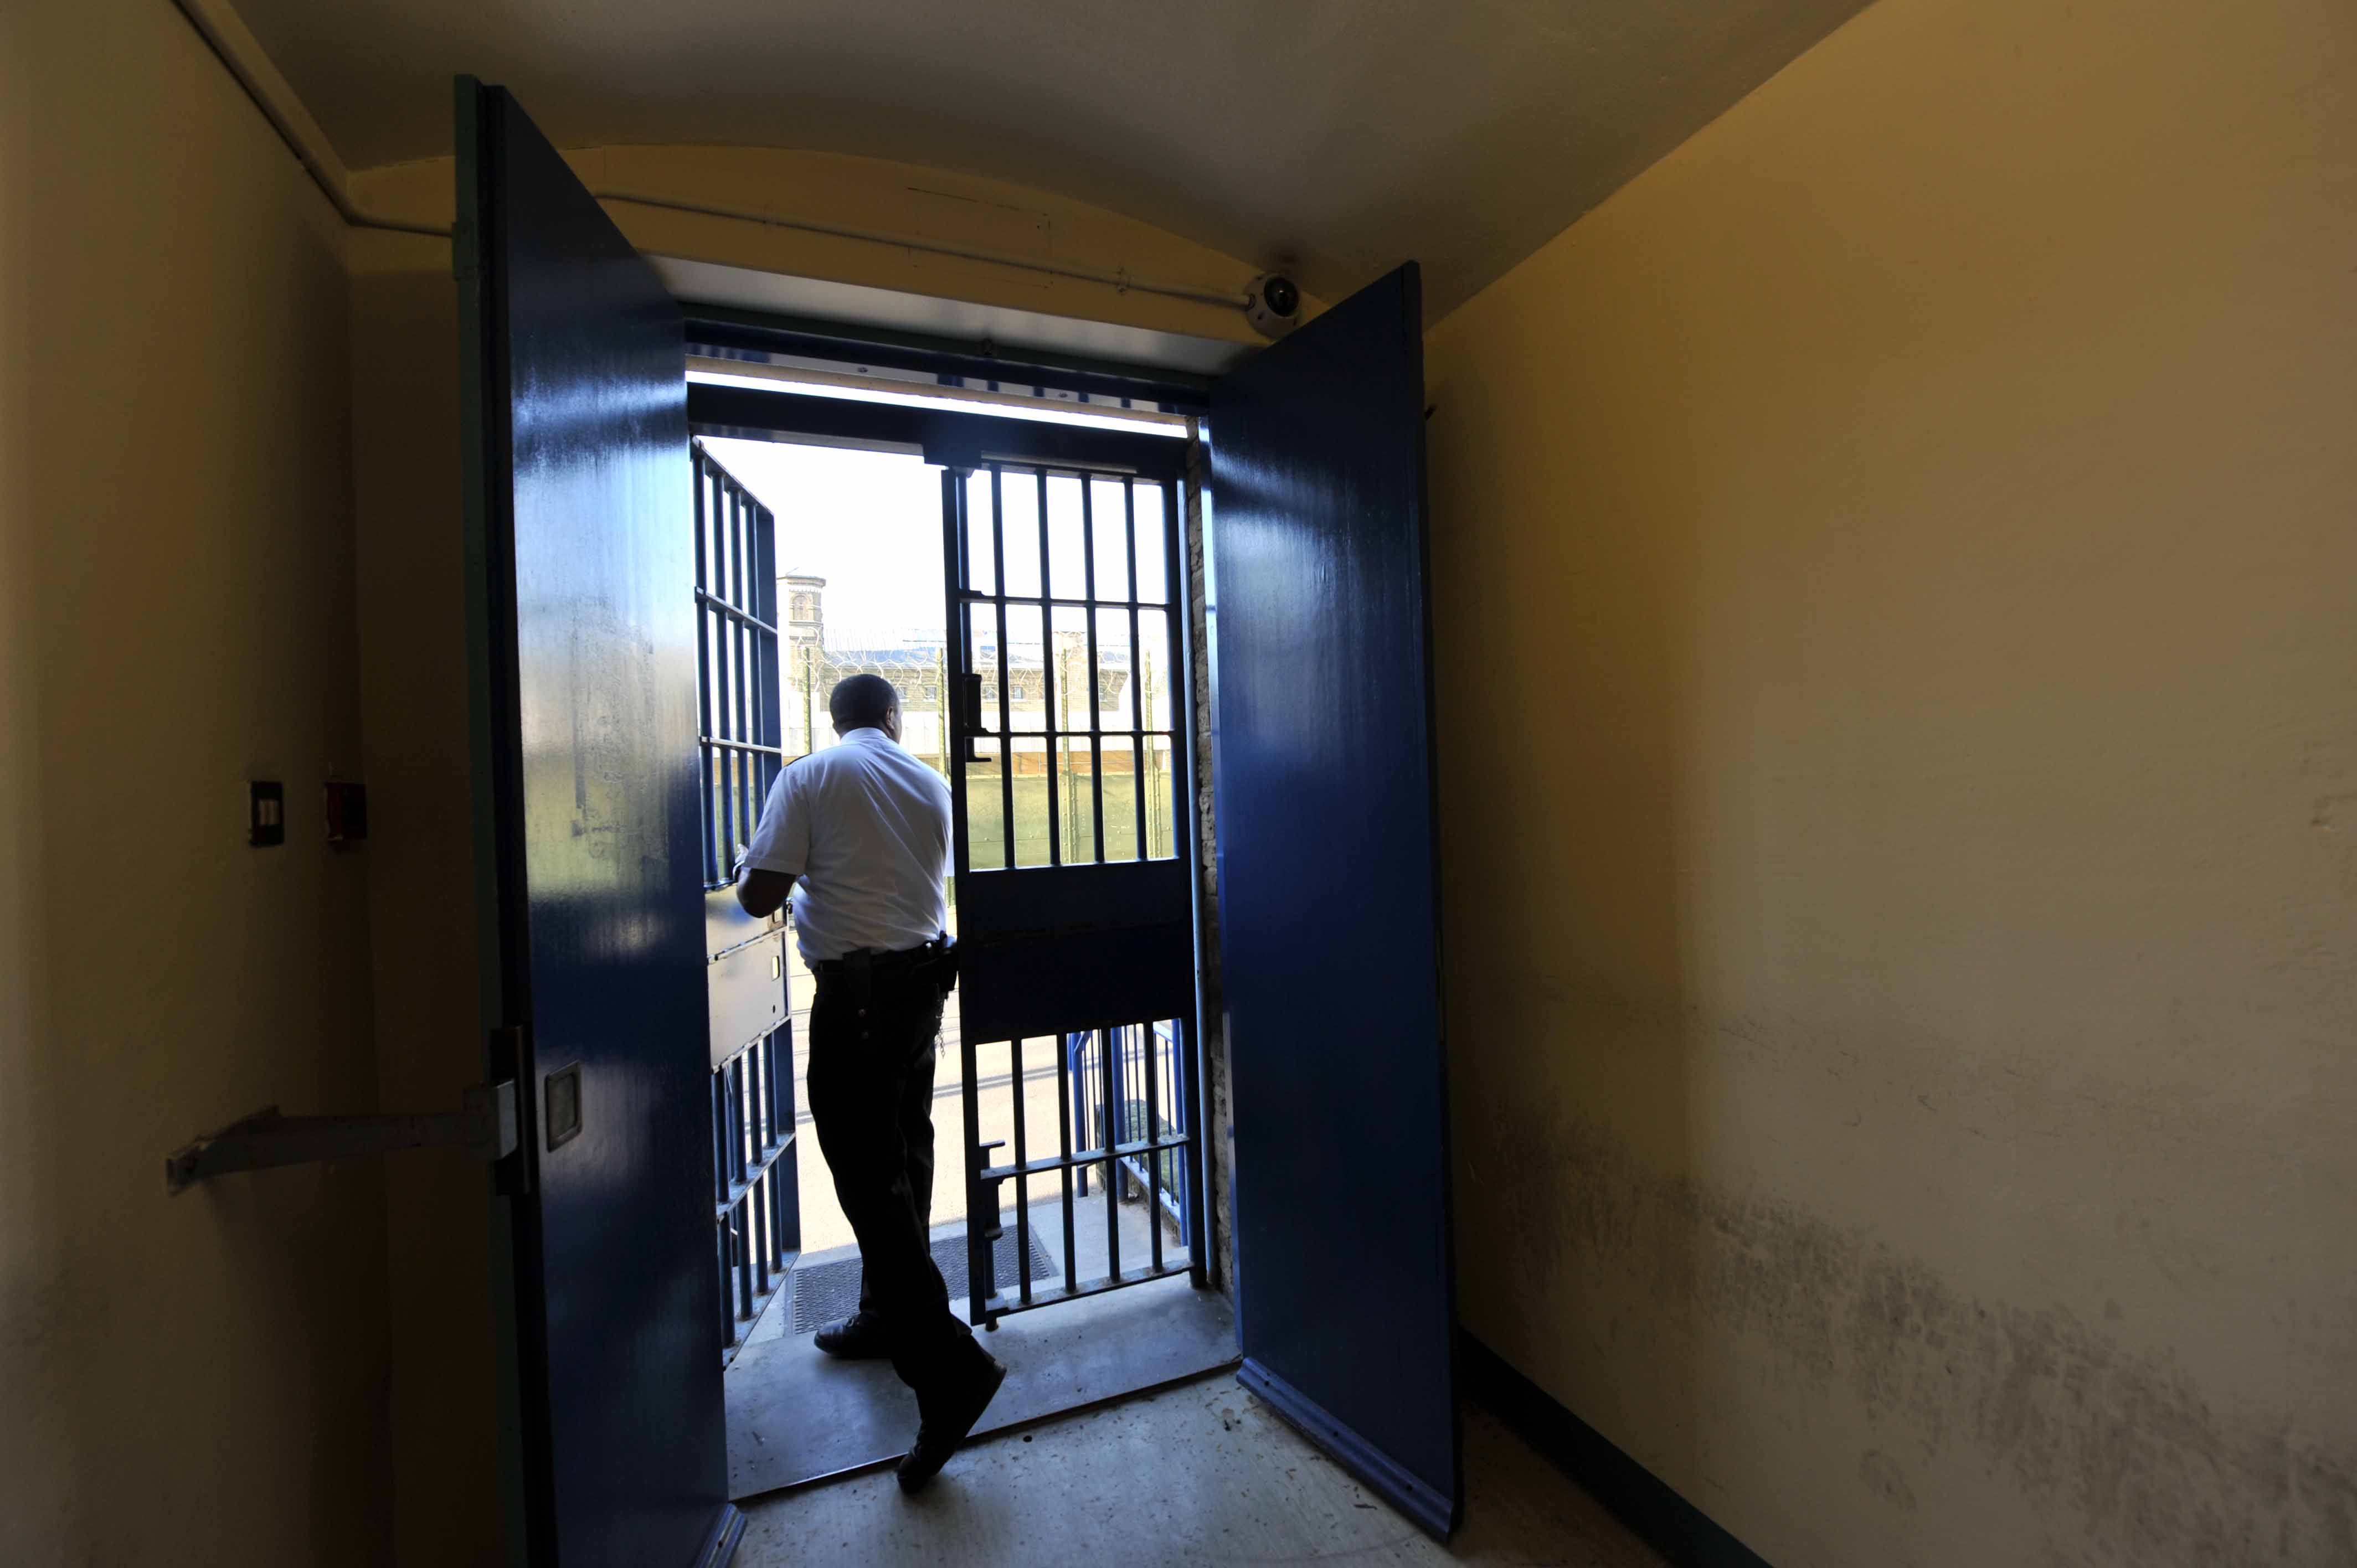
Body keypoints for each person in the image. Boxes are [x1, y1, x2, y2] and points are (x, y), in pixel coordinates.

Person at [735, 672, 1005, 1493]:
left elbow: (758, 896)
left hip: (854, 1002)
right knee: (904, 1159)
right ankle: (889, 1313)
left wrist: (754, 859)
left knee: (864, 1176)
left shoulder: (810, 775)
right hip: (923, 993)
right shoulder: (931, 783)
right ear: (891, 718)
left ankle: (947, 1367)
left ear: (836, 719)